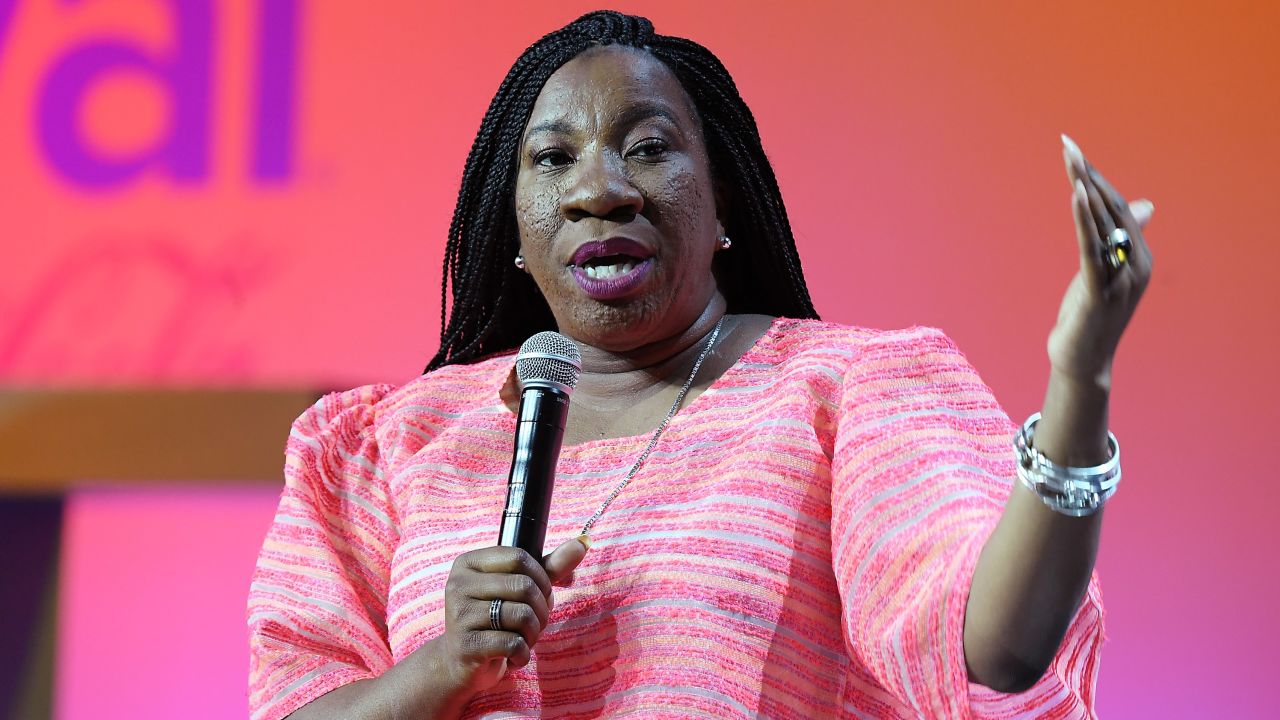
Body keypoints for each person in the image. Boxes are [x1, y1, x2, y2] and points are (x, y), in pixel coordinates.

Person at [248, 10, 1152, 720]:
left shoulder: (848, 395)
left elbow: (994, 649)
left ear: (723, 199)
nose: (599, 189)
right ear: (514, 225)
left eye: (648, 148)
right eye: (554, 159)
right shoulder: (381, 445)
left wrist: (1080, 381)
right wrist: (444, 668)